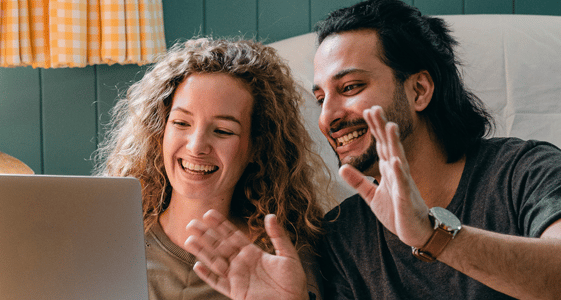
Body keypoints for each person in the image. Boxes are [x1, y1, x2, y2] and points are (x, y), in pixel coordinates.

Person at [183, 0, 561, 299]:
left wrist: (433, 236)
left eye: (349, 88)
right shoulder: (342, 236)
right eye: (320, 98)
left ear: (419, 90)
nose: (328, 115)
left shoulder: (524, 172)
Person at [0, 37, 328, 299]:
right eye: (181, 123)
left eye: (223, 130)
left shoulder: (282, 261)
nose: (197, 145)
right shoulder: (105, 239)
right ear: (159, 131)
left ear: (255, 146)